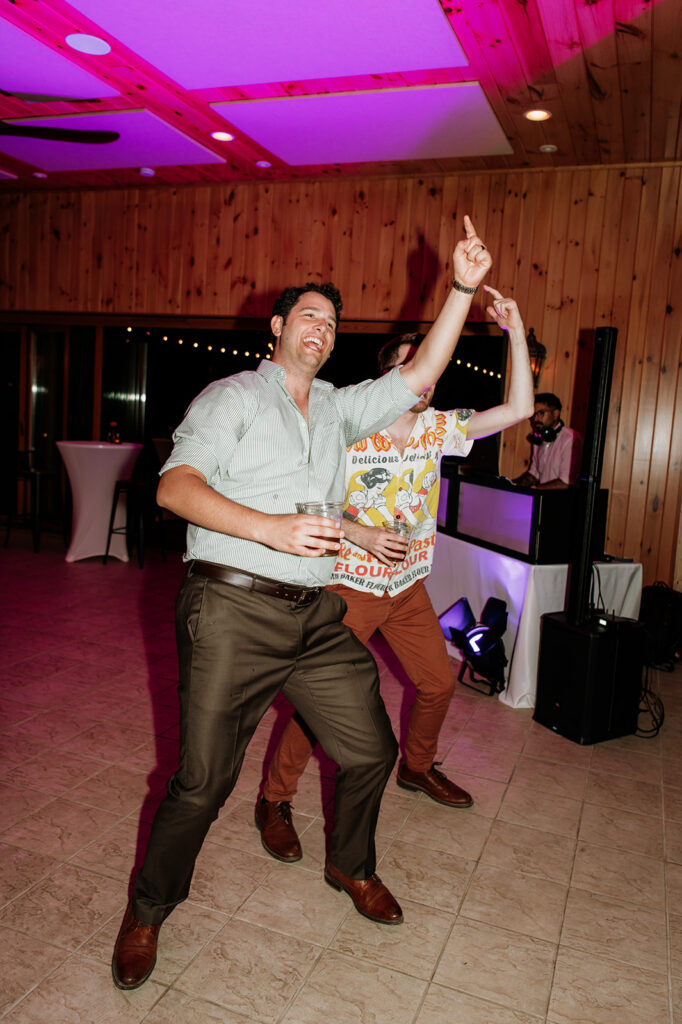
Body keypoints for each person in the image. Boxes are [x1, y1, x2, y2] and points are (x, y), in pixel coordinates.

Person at [111, 216, 492, 990]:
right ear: (279, 328)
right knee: (202, 783)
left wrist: (461, 287)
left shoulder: (340, 410)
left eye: (333, 323)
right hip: (231, 608)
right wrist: (271, 529)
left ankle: (350, 865)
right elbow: (174, 488)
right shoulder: (233, 397)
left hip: (315, 614)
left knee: (371, 750)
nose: (322, 329)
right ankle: (148, 910)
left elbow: (420, 374)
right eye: (309, 316)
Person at [256, 292, 534, 864]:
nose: (425, 380)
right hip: (347, 588)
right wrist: (358, 531)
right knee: (319, 704)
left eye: (430, 369)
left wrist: (517, 332)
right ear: (389, 376)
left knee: (438, 684)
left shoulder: (439, 429)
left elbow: (519, 410)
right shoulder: (347, 422)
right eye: (413, 367)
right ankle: (274, 799)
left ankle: (417, 767)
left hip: (407, 589)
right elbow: (301, 499)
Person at [513, 392, 581, 488]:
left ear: (555, 414)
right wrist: (511, 486)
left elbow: (565, 483)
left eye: (541, 413)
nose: (535, 419)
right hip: (541, 495)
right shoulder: (539, 437)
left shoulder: (570, 439)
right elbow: (533, 475)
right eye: (534, 414)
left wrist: (535, 489)